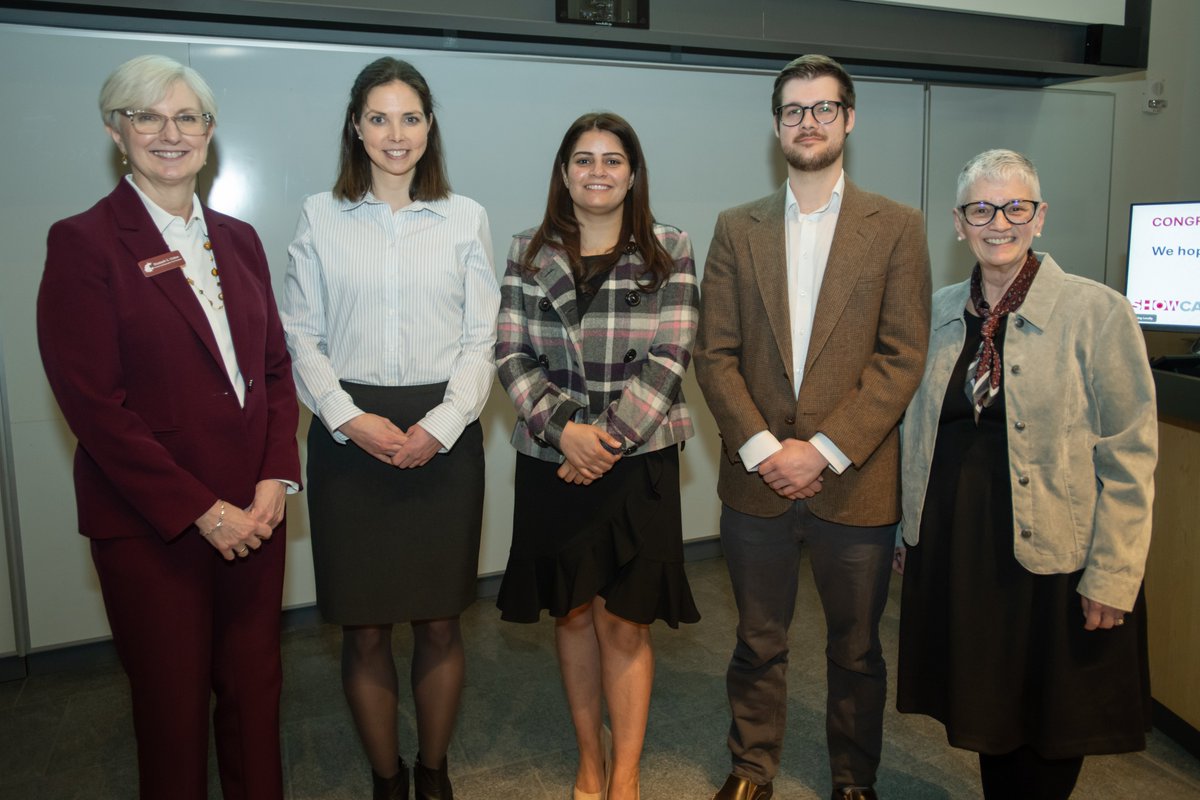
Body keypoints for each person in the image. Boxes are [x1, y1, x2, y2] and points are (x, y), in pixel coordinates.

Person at [35, 54, 301, 800]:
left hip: (256, 514)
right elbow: (94, 406)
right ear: (117, 132)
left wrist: (275, 479)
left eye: (187, 117)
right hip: (154, 529)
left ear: (210, 133)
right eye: (146, 116)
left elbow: (273, 370)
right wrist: (200, 511)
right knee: (172, 716)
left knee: (256, 703)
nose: (169, 132)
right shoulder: (84, 243)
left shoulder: (239, 239)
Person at [694, 54, 932, 800]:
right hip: (755, 480)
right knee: (757, 641)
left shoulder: (896, 227)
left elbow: (902, 356)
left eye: (824, 109)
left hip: (855, 483)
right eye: (794, 110)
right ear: (776, 124)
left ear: (848, 119)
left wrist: (822, 452)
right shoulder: (737, 228)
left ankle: (853, 778)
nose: (808, 122)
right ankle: (751, 767)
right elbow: (715, 353)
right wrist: (768, 451)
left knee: (858, 649)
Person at [895, 148, 1156, 799]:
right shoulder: (939, 311)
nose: (999, 221)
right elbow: (916, 431)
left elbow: (1130, 453)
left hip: (1056, 558)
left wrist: (1115, 574)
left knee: (1051, 719)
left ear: (1040, 217)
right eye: (981, 208)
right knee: (988, 715)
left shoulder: (1097, 312)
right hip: (964, 554)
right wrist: (909, 529)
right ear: (959, 223)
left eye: (1015, 207)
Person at [280, 57, 498, 800]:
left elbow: (482, 340)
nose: (394, 134)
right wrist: (346, 418)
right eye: (378, 118)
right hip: (350, 438)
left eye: (409, 118)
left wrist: (439, 424)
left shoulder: (465, 217)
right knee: (364, 627)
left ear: (429, 127)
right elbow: (299, 336)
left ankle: (433, 773)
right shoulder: (318, 215)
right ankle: (386, 777)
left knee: (440, 621)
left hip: (446, 432)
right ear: (356, 126)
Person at [495, 111, 700, 800]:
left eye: (613, 160)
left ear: (633, 173)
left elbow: (672, 355)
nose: (598, 172)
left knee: (625, 619)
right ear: (564, 172)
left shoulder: (670, 248)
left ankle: (628, 776)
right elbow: (510, 351)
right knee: (574, 612)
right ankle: (590, 761)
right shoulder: (528, 250)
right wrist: (565, 432)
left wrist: (604, 441)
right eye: (583, 159)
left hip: (637, 458)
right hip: (554, 458)